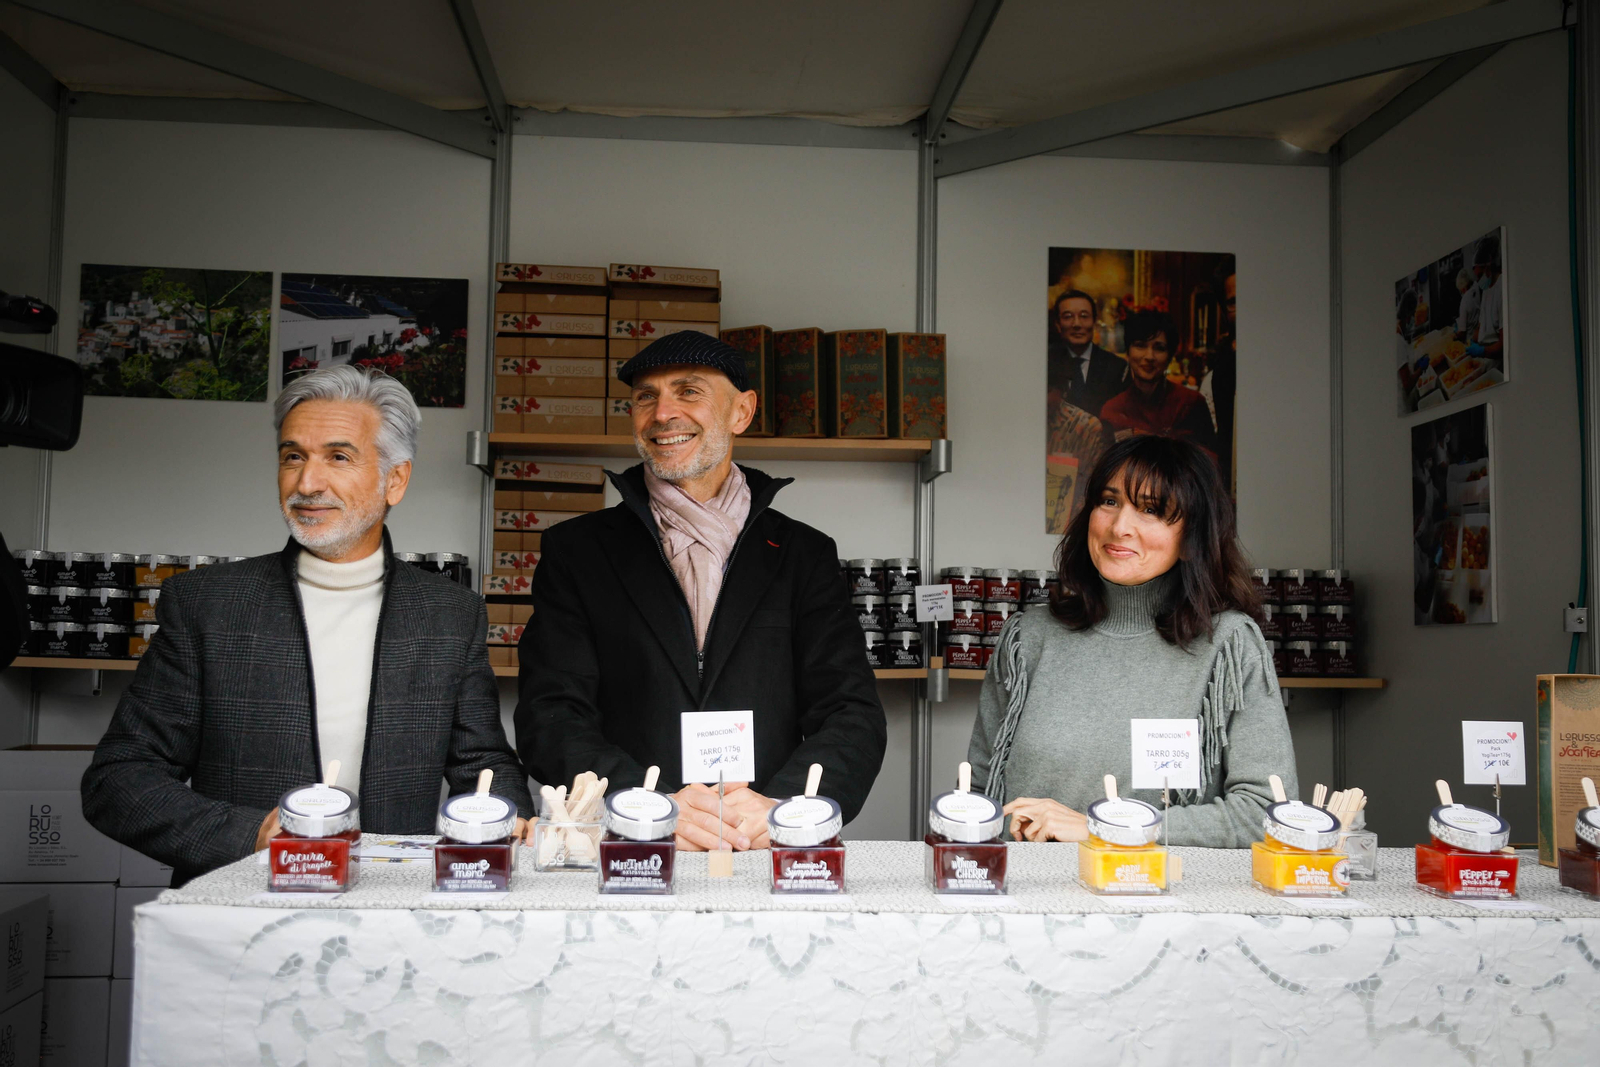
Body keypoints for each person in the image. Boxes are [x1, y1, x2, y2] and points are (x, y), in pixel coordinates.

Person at [81, 366, 533, 886]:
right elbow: (117, 779)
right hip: (241, 904)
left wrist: (503, 820)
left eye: (338, 457)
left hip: (388, 910)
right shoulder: (207, 604)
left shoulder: (449, 614)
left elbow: (482, 761)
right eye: (293, 456)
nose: (307, 483)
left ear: (396, 480)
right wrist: (251, 836)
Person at [515, 331, 887, 852]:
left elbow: (851, 711)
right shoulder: (578, 551)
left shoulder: (803, 554)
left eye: (688, 392)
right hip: (631, 841)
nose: (663, 413)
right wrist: (644, 802)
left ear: (741, 412)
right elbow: (550, 712)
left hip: (761, 842)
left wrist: (787, 806)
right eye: (646, 396)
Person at [968, 435, 1296, 847]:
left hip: (1163, 903)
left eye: (1151, 511)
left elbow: (1265, 815)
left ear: (1193, 535)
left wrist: (1101, 829)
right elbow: (977, 797)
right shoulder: (1027, 638)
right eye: (1109, 501)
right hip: (1030, 900)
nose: (1120, 527)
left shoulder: (1228, 645)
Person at [1097, 309, 1219, 457]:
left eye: (1159, 348)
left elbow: (1209, 464)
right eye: (1140, 345)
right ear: (1128, 353)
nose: (1149, 356)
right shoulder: (1112, 410)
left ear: (1169, 356)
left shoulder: (1190, 403)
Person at [1047, 289, 1127, 419]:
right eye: (1068, 317)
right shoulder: (1046, 362)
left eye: (1084, 316)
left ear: (1094, 321)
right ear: (1058, 324)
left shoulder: (1116, 367)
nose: (1077, 324)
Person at [1468, 235, 1504, 363]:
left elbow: (1503, 344)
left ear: (1488, 266)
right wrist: (1472, 340)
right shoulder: (1487, 290)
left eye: (1479, 276)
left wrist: (1482, 351)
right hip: (1485, 361)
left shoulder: (1502, 289)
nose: (1477, 282)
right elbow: (1481, 325)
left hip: (1497, 363)